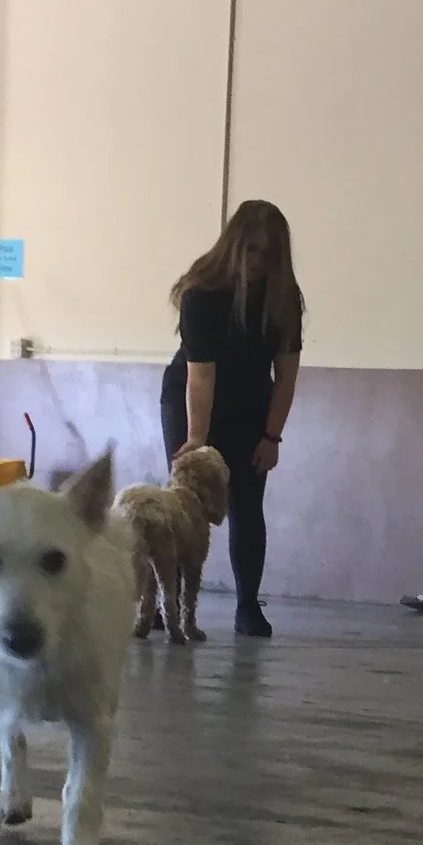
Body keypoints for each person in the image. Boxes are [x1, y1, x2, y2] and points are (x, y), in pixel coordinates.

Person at [161, 200, 303, 638]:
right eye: (252, 250)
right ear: (234, 246)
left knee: (247, 503)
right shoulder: (201, 293)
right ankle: (171, 610)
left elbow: (287, 377)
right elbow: (200, 375)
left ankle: (247, 608)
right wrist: (197, 443)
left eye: (269, 253)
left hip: (251, 406)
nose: (258, 262)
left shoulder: (283, 301)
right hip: (190, 400)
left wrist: (271, 437)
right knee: (186, 507)